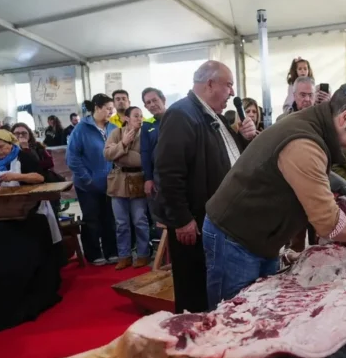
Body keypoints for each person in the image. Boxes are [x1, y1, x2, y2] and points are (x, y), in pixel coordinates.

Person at [203, 82, 346, 309]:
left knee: (262, 311)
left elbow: (311, 166)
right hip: (236, 239)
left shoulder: (311, 125)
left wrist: (343, 186)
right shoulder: (305, 142)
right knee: (233, 316)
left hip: (261, 237)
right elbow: (329, 225)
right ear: (345, 117)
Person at [154, 60, 257, 313]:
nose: (232, 92)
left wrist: (244, 138)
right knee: (195, 288)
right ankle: (194, 332)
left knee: (212, 285)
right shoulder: (181, 114)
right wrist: (181, 219)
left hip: (216, 221)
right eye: (228, 85)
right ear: (210, 84)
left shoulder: (212, 116)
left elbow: (230, 158)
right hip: (195, 222)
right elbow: (168, 173)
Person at [67, 94, 119, 266]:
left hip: (109, 183)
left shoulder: (113, 128)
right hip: (87, 185)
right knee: (92, 219)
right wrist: (87, 179)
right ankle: (93, 253)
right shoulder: (81, 129)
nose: (111, 112)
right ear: (97, 108)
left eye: (112, 109)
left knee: (109, 218)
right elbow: (72, 158)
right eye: (108, 109)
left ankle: (111, 251)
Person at [104, 106, 150, 270]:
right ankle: (124, 256)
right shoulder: (116, 133)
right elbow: (107, 155)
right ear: (127, 118)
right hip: (118, 182)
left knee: (140, 221)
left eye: (141, 116)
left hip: (138, 180)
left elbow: (144, 160)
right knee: (121, 223)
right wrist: (123, 143)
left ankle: (143, 254)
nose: (139, 119)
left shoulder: (145, 134)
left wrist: (121, 154)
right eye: (136, 116)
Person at [140, 87, 166, 220]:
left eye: (155, 100)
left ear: (163, 100)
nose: (152, 105)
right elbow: (145, 153)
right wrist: (148, 179)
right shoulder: (146, 125)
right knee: (161, 216)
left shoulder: (178, 118)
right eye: (148, 103)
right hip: (158, 177)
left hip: (181, 174)